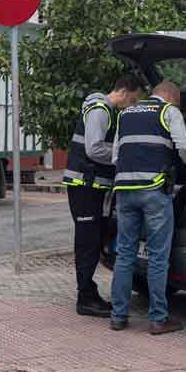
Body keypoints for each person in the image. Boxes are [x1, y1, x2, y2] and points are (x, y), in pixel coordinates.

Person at [109, 81, 186, 335]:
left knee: (125, 254)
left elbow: (116, 156)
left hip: (124, 191)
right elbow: (184, 146)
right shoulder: (168, 112)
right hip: (153, 190)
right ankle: (158, 319)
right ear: (171, 97)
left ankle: (118, 317)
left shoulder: (125, 114)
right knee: (158, 256)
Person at [62, 75, 144, 317]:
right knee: (87, 242)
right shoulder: (100, 110)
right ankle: (85, 299)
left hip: (90, 186)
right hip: (84, 185)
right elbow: (94, 148)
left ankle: (88, 293)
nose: (133, 105)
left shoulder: (105, 110)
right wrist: (124, 152)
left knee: (94, 240)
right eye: (135, 99)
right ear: (126, 92)